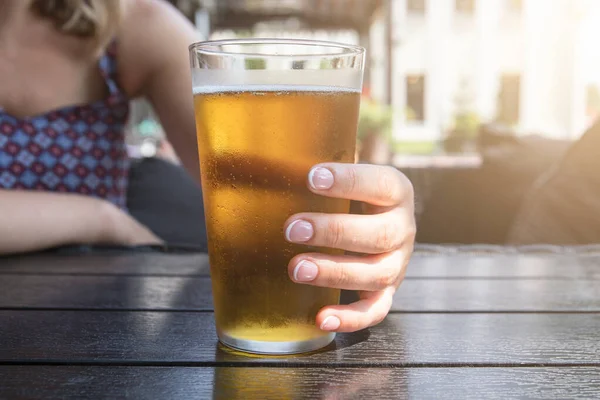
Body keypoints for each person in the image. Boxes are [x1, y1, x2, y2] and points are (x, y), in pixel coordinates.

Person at [0, 0, 416, 333]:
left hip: (102, 324)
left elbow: (254, 176)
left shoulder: (128, 23)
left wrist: (370, 211)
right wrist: (97, 218)